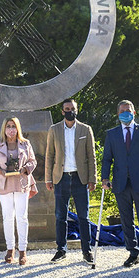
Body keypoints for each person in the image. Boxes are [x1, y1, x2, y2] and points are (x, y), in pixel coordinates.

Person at [102, 99, 139, 270]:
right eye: (122, 111)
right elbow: (106, 159)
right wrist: (105, 178)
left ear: (134, 112)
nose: (125, 113)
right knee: (126, 221)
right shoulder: (112, 134)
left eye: (128, 110)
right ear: (118, 114)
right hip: (120, 184)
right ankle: (133, 253)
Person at [44, 97, 97, 263]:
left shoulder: (85, 129)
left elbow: (91, 156)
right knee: (60, 216)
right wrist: (48, 178)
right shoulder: (54, 130)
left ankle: (86, 251)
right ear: (62, 111)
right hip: (61, 178)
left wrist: (92, 178)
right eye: (66, 109)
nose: (69, 111)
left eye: (72, 108)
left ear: (77, 110)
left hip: (80, 178)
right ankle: (61, 250)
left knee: (84, 217)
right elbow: (49, 155)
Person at [0, 116, 38, 265]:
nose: (11, 129)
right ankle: (10, 249)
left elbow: (32, 161)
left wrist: (26, 169)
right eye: (8, 126)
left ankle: (23, 250)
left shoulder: (25, 143)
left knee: (22, 217)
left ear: (18, 128)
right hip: (4, 184)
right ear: (4, 128)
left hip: (21, 183)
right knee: (7, 217)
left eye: (14, 126)